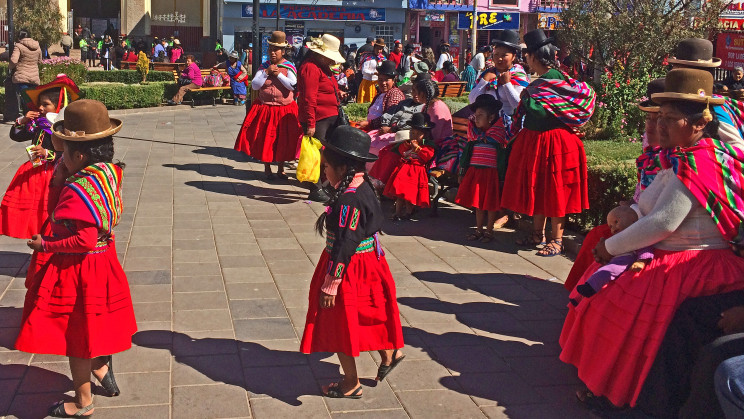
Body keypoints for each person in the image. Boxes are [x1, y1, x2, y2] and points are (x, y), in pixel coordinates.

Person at [562, 68, 744, 412]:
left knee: (624, 309)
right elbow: (652, 209)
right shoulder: (681, 157)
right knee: (606, 300)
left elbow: (664, 222)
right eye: (660, 117)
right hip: (673, 255)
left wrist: (610, 247)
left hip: (696, 265)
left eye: (670, 119)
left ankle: (627, 398)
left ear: (699, 123)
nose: (659, 126)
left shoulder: (700, 161)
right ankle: (611, 388)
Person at [15, 99, 136, 418]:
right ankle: (101, 365)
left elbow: (81, 239)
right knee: (93, 323)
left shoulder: (78, 189)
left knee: (75, 337)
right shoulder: (107, 171)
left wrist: (45, 245)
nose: (60, 154)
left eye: (65, 149)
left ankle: (82, 402)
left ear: (79, 155)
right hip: (104, 260)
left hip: (80, 268)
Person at [300, 125, 405, 399]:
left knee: (341, 322)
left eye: (326, 167)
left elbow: (345, 244)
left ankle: (350, 383)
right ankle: (390, 353)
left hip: (349, 268)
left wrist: (330, 284)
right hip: (370, 262)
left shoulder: (349, 201)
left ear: (342, 168)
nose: (324, 172)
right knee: (366, 314)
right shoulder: (364, 185)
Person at [564, 78, 665, 292]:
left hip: (654, 229)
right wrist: (631, 203)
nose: (651, 125)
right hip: (637, 216)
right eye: (648, 117)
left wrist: (635, 213)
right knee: (595, 236)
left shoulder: (677, 159)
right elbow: (644, 186)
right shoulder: (650, 145)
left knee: (605, 241)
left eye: (660, 119)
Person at [501, 30, 594, 256]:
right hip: (548, 142)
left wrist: (526, 100)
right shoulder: (557, 79)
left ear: (534, 57)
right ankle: (537, 233)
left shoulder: (543, 84)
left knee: (553, 190)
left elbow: (543, 113)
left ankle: (557, 239)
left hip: (553, 143)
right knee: (543, 188)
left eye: (527, 57)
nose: (526, 61)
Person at [1, 75, 80, 239]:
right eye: (40, 104)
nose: (41, 108)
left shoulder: (63, 128)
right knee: (32, 210)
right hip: (35, 172)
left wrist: (47, 153)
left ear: (58, 105)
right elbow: (16, 136)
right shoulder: (38, 124)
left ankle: (50, 236)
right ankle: (38, 235)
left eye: (46, 104)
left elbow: (68, 153)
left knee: (49, 209)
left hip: (54, 174)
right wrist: (21, 121)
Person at [235, 31, 301, 180]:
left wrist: (278, 75)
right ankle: (267, 168)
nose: (272, 53)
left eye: (275, 50)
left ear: (283, 51)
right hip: (266, 108)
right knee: (266, 139)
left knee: (282, 139)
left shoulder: (289, 67)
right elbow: (256, 85)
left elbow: (292, 86)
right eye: (270, 49)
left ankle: (281, 169)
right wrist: (266, 72)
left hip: (284, 109)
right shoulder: (264, 66)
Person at [569, 205, 654, 305]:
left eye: (616, 222)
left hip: (626, 259)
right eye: (611, 227)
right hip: (615, 257)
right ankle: (580, 297)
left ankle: (588, 290)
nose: (614, 228)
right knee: (596, 272)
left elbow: (646, 248)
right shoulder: (620, 235)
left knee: (608, 271)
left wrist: (641, 260)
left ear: (633, 221)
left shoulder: (638, 235)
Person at [297, 34, 346, 202]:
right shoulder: (310, 67)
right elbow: (309, 98)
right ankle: (315, 188)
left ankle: (323, 184)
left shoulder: (321, 66)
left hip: (328, 116)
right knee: (315, 154)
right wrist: (310, 123)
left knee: (324, 153)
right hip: (318, 119)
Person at [455, 94, 509, 243]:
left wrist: (502, 177)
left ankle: (489, 231)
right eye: (475, 115)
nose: (476, 118)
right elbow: (466, 154)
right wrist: (462, 171)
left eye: (480, 115)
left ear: (491, 117)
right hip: (476, 172)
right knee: (478, 204)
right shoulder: (474, 136)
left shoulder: (498, 135)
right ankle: (478, 229)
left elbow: (502, 158)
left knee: (491, 204)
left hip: (491, 174)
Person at [468, 30, 529, 135]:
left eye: (504, 55)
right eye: (496, 54)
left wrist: (507, 84)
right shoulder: (487, 74)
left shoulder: (518, 75)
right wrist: (484, 81)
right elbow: (472, 100)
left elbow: (519, 106)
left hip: (510, 129)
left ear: (513, 56)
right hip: (487, 129)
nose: (499, 59)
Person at [383, 113, 436, 219]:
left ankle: (408, 212)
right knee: (399, 193)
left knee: (408, 194)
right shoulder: (407, 143)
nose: (414, 136)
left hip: (416, 171)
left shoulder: (428, 146)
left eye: (418, 133)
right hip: (404, 169)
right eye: (412, 133)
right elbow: (401, 151)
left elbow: (427, 156)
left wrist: (417, 148)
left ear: (425, 134)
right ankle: (397, 213)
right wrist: (407, 145)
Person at [357, 60, 405, 132]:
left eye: (386, 80)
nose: (383, 83)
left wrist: (368, 124)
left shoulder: (395, 94)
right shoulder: (380, 94)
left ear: (393, 81)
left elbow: (389, 116)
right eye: (380, 79)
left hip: (382, 132)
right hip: (371, 128)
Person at [10, 29, 41, 116]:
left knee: (24, 99)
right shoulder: (37, 46)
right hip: (34, 77)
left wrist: (10, 68)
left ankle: (26, 118)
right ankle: (34, 118)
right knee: (33, 99)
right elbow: (40, 60)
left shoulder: (18, 46)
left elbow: (14, 60)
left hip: (21, 76)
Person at [358, 38, 386, 103]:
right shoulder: (368, 58)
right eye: (378, 49)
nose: (379, 51)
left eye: (381, 49)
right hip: (367, 83)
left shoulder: (382, 58)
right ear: (374, 48)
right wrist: (374, 73)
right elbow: (364, 71)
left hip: (378, 83)